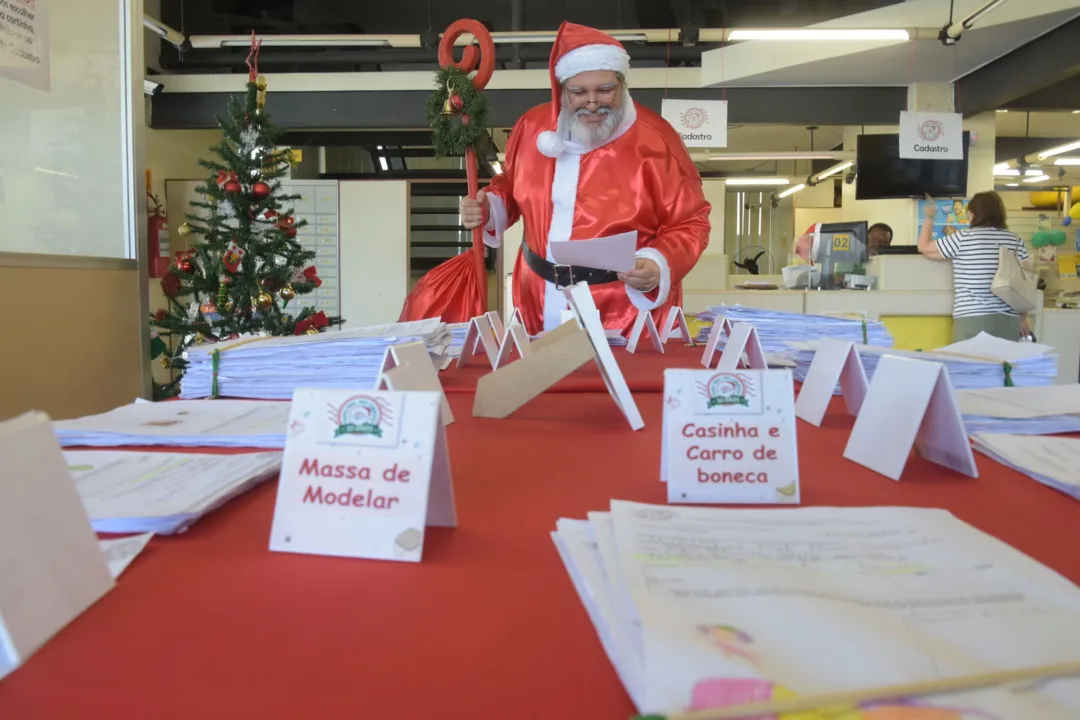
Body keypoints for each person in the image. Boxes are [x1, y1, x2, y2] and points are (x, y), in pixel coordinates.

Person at [459, 22, 711, 335]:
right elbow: (512, 184)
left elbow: (691, 221)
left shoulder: (657, 140)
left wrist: (660, 262)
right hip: (536, 299)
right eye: (579, 92)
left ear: (621, 84)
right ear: (561, 90)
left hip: (623, 309)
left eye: (605, 90)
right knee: (540, 381)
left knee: (621, 384)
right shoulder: (532, 127)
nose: (592, 102)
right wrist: (490, 207)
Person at [917, 191, 1031, 342]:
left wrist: (930, 216)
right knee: (1001, 365)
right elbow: (1025, 284)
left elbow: (924, 247)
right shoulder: (1015, 241)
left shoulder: (963, 238)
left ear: (972, 214)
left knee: (970, 365)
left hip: (972, 317)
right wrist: (1022, 318)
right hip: (1008, 320)